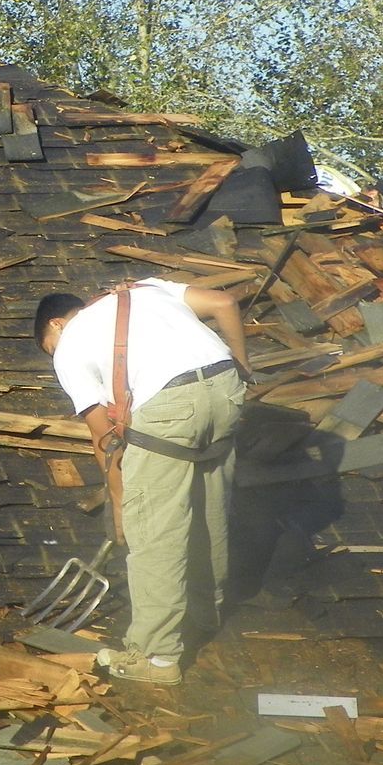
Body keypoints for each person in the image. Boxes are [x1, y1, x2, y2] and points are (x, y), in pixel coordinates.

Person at [34, 278, 250, 686]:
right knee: (209, 506)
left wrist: (120, 502)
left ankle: (157, 657)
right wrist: (243, 366)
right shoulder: (145, 289)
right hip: (226, 389)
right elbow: (224, 303)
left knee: (154, 532)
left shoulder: (70, 345)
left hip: (170, 405)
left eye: (49, 346)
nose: (54, 356)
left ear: (58, 324)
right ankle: (205, 615)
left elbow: (104, 437)